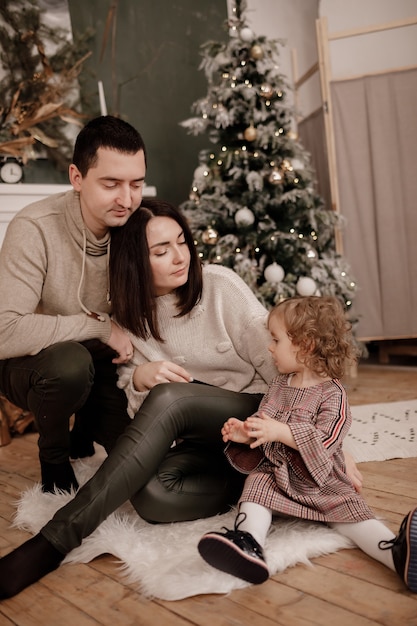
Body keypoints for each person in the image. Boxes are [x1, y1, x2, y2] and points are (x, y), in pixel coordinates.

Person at [0, 200, 362, 599]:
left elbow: (292, 370)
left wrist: (327, 445)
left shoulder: (221, 287)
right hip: (219, 445)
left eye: (181, 242)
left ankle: (54, 542)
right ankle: (272, 487)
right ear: (135, 262)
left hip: (262, 412)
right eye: (161, 251)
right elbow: (145, 419)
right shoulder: (131, 319)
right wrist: (139, 377)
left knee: (174, 399)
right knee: (153, 497)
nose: (179, 257)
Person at [197, 296, 417, 593]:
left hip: (320, 480)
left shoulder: (333, 394)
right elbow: (266, 423)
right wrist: (247, 433)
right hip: (280, 473)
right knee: (258, 483)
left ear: (306, 345)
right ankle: (248, 542)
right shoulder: (279, 384)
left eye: (276, 340)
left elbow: (327, 441)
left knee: (350, 510)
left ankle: (394, 552)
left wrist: (282, 431)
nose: (270, 348)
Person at [0, 115, 147, 493]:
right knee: (69, 364)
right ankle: (53, 454)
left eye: (136, 184)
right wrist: (98, 326)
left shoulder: (139, 224)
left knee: (143, 475)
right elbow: (4, 332)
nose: (126, 199)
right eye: (111, 184)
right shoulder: (34, 228)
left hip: (105, 362)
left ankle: (86, 427)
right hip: (35, 364)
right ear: (77, 178)